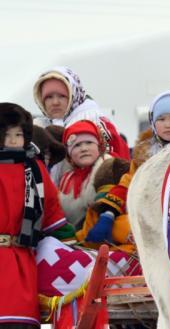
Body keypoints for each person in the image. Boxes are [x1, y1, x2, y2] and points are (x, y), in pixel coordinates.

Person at [0, 103, 75, 328]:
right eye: (7, 134)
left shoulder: (34, 170)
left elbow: (52, 212)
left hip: (22, 260)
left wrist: (73, 245)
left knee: (18, 319)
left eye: (18, 134)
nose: (13, 140)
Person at [33, 67, 130, 160]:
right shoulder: (38, 129)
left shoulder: (94, 120)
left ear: (73, 96)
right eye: (49, 97)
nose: (55, 102)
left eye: (62, 96)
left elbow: (118, 162)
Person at [53, 120, 114, 227]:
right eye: (77, 145)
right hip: (74, 240)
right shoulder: (66, 180)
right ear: (69, 154)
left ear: (99, 146)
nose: (84, 149)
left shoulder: (109, 167)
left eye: (89, 143)